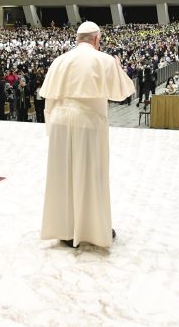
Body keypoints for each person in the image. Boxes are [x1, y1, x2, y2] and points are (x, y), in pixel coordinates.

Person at [40, 21, 135, 248]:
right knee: (91, 176)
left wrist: (50, 126)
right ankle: (92, 230)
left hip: (60, 121)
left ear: (77, 39)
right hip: (89, 122)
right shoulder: (105, 59)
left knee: (62, 176)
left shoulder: (60, 60)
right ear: (96, 39)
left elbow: (49, 98)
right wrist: (118, 67)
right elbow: (121, 94)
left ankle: (65, 230)